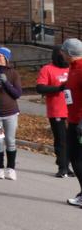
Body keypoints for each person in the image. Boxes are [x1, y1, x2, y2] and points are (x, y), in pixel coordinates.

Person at [36, 45, 72, 178]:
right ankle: (62, 167)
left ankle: (68, 166)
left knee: (72, 140)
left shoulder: (72, 68)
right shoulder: (47, 69)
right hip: (57, 110)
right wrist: (58, 88)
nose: (64, 57)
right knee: (61, 140)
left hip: (73, 111)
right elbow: (40, 88)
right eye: (61, 54)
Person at [0, 47, 22, 181]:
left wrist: (6, 83)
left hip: (11, 113)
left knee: (10, 141)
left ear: (6, 58)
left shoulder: (13, 73)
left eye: (0, 56)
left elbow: (17, 94)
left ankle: (11, 168)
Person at [61, 38, 82, 207]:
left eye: (63, 51)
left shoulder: (81, 69)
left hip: (80, 122)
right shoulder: (72, 68)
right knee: (74, 158)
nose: (61, 53)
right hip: (73, 119)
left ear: (70, 53)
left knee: (77, 159)